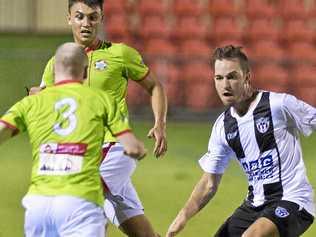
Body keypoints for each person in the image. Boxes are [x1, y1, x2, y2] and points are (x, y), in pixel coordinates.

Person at [30, 0, 168, 236]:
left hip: (115, 148)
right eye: (80, 16)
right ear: (69, 19)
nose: (86, 23)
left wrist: (159, 124)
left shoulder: (120, 54)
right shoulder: (56, 63)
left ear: (101, 19)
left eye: (93, 17)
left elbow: (155, 86)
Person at [166, 45, 315, 237]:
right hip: (254, 206)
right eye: (219, 78)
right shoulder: (223, 126)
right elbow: (209, 183)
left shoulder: (279, 105)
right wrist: (182, 217)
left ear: (247, 77)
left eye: (232, 76)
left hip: (294, 200)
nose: (225, 85)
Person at [0, 42, 146, 237]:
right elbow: (131, 146)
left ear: (54, 71)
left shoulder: (30, 102)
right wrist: (138, 149)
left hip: (38, 206)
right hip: (80, 203)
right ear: (85, 72)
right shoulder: (100, 99)